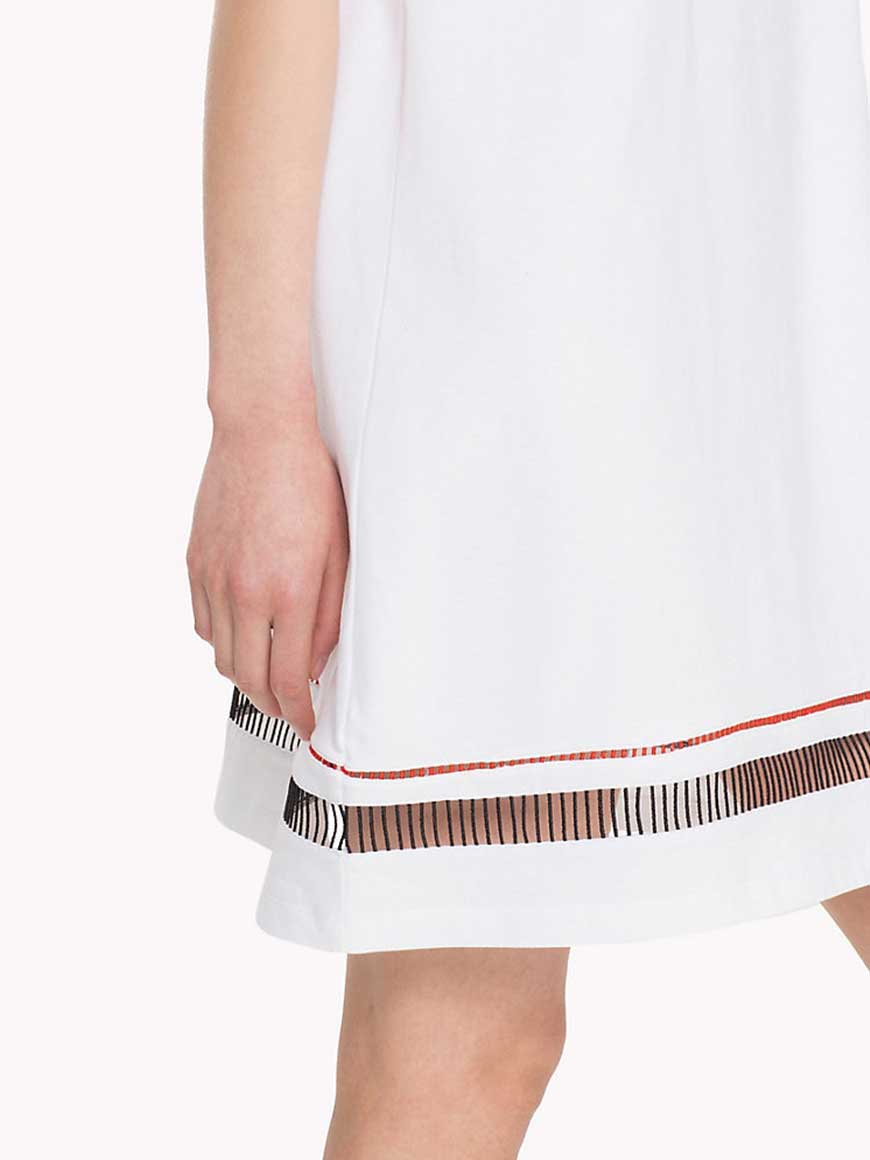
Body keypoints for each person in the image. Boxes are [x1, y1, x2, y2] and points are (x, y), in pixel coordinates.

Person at [187, 2, 870, 1155]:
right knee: (460, 1033)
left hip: (788, 255)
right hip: (503, 324)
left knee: (457, 1039)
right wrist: (258, 418)